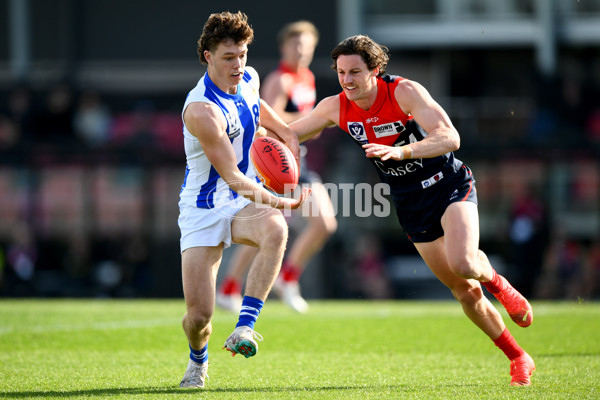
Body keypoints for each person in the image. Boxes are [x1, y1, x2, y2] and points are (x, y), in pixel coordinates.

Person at [290, 35, 535, 386]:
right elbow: (290, 134)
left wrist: (402, 152)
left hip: (448, 184)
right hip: (410, 203)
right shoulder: (336, 107)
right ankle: (518, 357)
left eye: (355, 71)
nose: (347, 80)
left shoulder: (403, 92)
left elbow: (450, 137)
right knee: (464, 290)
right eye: (342, 72)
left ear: (375, 69)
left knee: (463, 262)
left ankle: (500, 284)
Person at [177, 11, 310, 389]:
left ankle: (245, 329)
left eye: (243, 54)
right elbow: (232, 176)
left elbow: (257, 105)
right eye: (228, 57)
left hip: (240, 202)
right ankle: (197, 360)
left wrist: (286, 132)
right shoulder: (202, 110)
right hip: (203, 206)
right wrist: (279, 199)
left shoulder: (248, 78)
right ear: (208, 56)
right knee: (199, 317)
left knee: (275, 232)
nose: (239, 65)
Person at [216, 21, 337, 313]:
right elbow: (266, 118)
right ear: (284, 47)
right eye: (296, 45)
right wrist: (310, 117)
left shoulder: (306, 77)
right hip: (276, 163)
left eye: (307, 46)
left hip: (299, 159)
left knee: (323, 224)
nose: (302, 51)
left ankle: (286, 278)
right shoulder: (278, 80)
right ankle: (231, 287)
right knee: (270, 229)